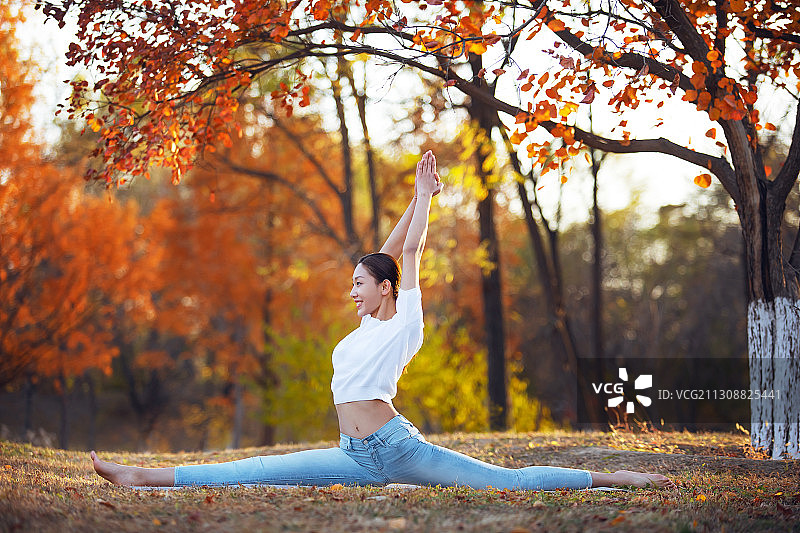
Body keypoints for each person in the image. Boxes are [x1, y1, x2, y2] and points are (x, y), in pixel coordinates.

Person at [91, 150, 676, 491]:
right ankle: (143, 475)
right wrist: (405, 214)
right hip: (351, 452)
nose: (351, 292)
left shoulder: (404, 322)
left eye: (359, 285)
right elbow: (389, 254)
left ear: (384, 291)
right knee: (259, 468)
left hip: (396, 449)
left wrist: (426, 197)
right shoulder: (366, 327)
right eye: (351, 284)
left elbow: (410, 253)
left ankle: (622, 480)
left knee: (507, 484)